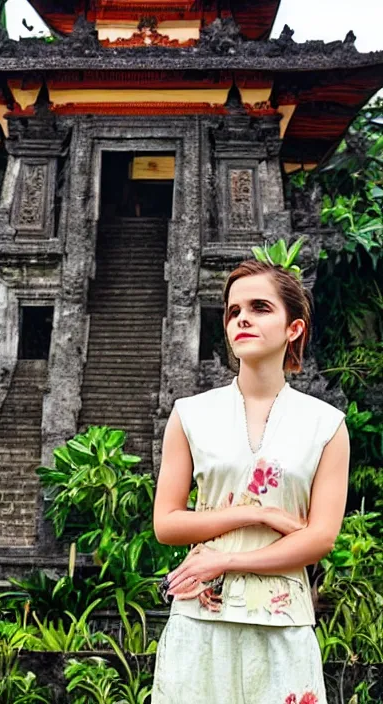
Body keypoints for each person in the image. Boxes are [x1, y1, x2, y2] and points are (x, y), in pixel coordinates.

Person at [151, 259, 350, 704]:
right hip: (199, 620)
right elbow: (166, 523)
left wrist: (224, 562)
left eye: (260, 307)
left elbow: (320, 538)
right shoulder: (189, 415)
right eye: (232, 310)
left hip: (284, 624)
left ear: (293, 328)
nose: (242, 318)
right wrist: (256, 512)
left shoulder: (326, 425)